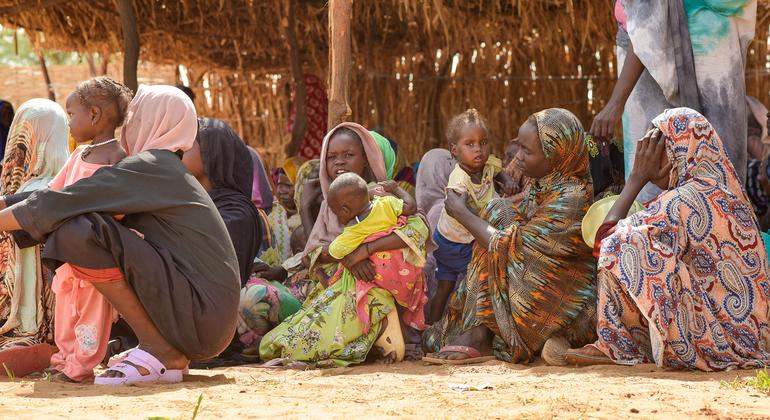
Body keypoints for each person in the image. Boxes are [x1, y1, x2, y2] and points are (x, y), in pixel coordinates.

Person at [0, 85, 240, 385]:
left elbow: (64, 202)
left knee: (78, 231)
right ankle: (164, 352)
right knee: (79, 223)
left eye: (133, 117)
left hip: (201, 316)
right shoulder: (163, 168)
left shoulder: (150, 167)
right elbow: (62, 195)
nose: (125, 124)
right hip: (206, 318)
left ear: (150, 121)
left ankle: (161, 351)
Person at [565, 108, 770, 371]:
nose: (644, 158)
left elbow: (603, 241)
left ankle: (617, 345)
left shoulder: (685, 200)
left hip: (720, 340)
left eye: (652, 149)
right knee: (643, 244)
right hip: (747, 336)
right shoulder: (722, 191)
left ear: (676, 150)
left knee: (624, 244)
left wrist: (636, 179)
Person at [422, 108, 596, 365]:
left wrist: (464, 215)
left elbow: (515, 249)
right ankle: (487, 330)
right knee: (497, 211)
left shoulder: (572, 197)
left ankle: (485, 333)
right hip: (529, 284)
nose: (518, 160)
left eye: (527, 151)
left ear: (556, 155)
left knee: (494, 217)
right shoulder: (543, 185)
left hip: (559, 298)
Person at [259, 122, 429, 366]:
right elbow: (314, 254)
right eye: (331, 157)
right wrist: (348, 259)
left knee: (314, 334)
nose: (339, 162)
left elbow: (415, 230)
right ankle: (377, 340)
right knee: (300, 331)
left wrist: (363, 252)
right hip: (339, 283)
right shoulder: (331, 205)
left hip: (375, 286)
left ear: (367, 160)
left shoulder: (383, 196)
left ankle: (383, 334)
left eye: (348, 155)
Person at [592, 1, 756, 202]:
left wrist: (615, 102)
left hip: (661, 67)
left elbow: (648, 23)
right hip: (716, 53)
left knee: (654, 172)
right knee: (718, 181)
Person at [46, 76, 132, 382]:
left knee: (91, 315)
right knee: (67, 311)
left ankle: (81, 366)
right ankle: (62, 360)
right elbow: (54, 193)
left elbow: (120, 209)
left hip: (96, 254)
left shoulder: (116, 158)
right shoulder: (77, 156)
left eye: (71, 114)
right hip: (70, 253)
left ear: (94, 115)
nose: (68, 122)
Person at [428, 109, 511, 324]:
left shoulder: (487, 165)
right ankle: (467, 326)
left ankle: (430, 328)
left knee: (445, 287)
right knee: (479, 279)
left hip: (453, 239)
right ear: (454, 150)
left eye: (483, 143)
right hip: (454, 244)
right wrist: (485, 221)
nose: (479, 150)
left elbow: (498, 170)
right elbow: (457, 208)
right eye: (470, 144)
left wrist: (507, 180)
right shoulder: (459, 178)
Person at [0, 99, 69, 349]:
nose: (20, 140)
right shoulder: (66, 180)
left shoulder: (45, 188)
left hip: (36, 310)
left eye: (28, 130)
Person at [327, 173, 427, 332]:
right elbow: (411, 207)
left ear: (345, 210)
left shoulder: (353, 230)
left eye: (335, 212)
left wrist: (352, 254)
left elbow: (334, 251)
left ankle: (387, 332)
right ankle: (409, 333)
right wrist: (395, 188)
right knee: (401, 304)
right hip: (408, 272)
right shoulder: (386, 203)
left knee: (344, 276)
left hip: (377, 275)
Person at [183, 117, 261, 286]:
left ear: (212, 152)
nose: (178, 148)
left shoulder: (236, 213)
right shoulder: (193, 201)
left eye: (188, 143)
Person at [265, 157, 304, 264]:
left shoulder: (310, 217)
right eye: (279, 184)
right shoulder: (273, 213)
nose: (281, 191)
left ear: (301, 186)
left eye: (288, 186)